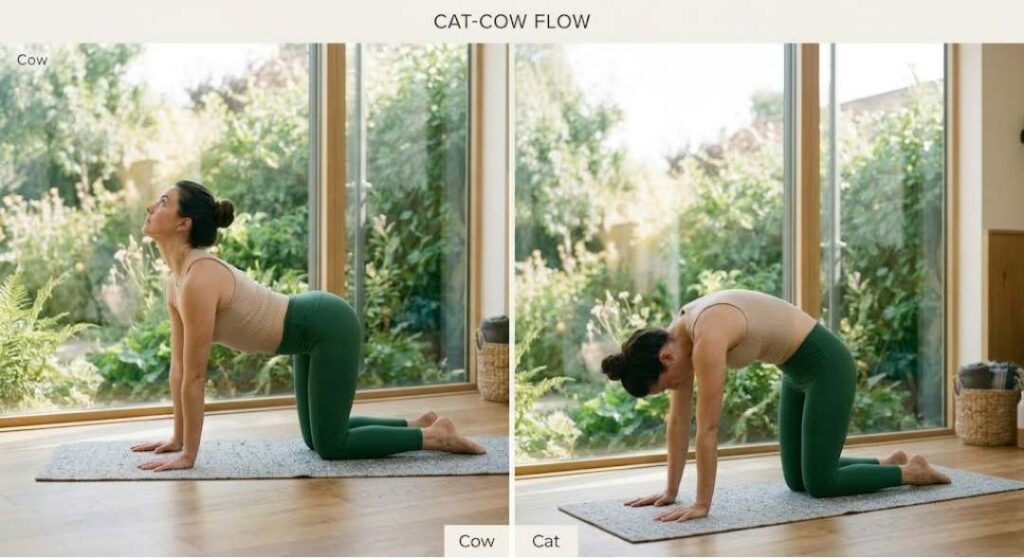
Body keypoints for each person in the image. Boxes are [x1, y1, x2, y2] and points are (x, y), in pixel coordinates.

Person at [131, 180, 484, 472]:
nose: (151, 206)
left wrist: (189, 456)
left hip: (326, 324)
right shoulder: (177, 282)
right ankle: (419, 423)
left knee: (332, 446)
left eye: (163, 202)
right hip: (305, 334)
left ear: (184, 223)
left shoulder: (200, 278)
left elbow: (195, 376)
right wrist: (177, 439)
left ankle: (435, 438)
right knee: (315, 439)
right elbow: (178, 369)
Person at [601, 288, 950, 522]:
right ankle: (884, 462)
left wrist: (702, 505)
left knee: (821, 484)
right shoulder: (680, 340)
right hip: (794, 373)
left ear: (666, 356)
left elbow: (707, 429)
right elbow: (678, 424)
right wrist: (670, 492)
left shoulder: (706, 337)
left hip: (827, 366)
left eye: (670, 383)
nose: (677, 387)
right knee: (796, 479)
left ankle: (910, 473)